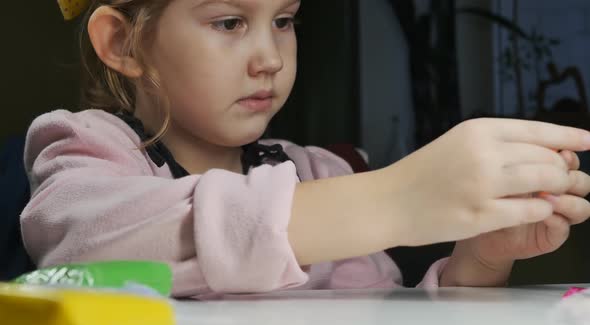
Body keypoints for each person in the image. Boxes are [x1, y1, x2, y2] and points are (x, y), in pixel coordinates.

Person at [21, 0, 590, 298]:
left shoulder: (318, 171)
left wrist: (481, 261)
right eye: (229, 21)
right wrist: (390, 200)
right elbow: (86, 257)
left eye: (285, 20)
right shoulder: (87, 147)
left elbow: (383, 316)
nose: (270, 56)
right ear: (123, 43)